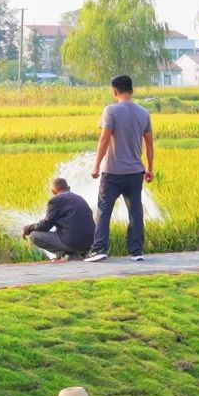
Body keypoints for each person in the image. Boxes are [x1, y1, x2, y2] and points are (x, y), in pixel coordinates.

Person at [85, 75, 155, 263]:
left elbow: (104, 139)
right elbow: (149, 145)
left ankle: (99, 249)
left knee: (104, 210)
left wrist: (96, 165)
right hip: (135, 173)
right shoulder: (143, 113)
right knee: (135, 211)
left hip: (113, 172)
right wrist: (150, 169)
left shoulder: (110, 111)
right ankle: (137, 251)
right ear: (131, 90)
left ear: (115, 91)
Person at [22, 177, 95, 260]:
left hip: (73, 242)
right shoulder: (80, 198)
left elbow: (45, 226)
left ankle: (66, 255)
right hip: (90, 242)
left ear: (53, 192)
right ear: (69, 188)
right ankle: (76, 254)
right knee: (60, 231)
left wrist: (27, 229)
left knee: (33, 236)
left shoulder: (55, 200)